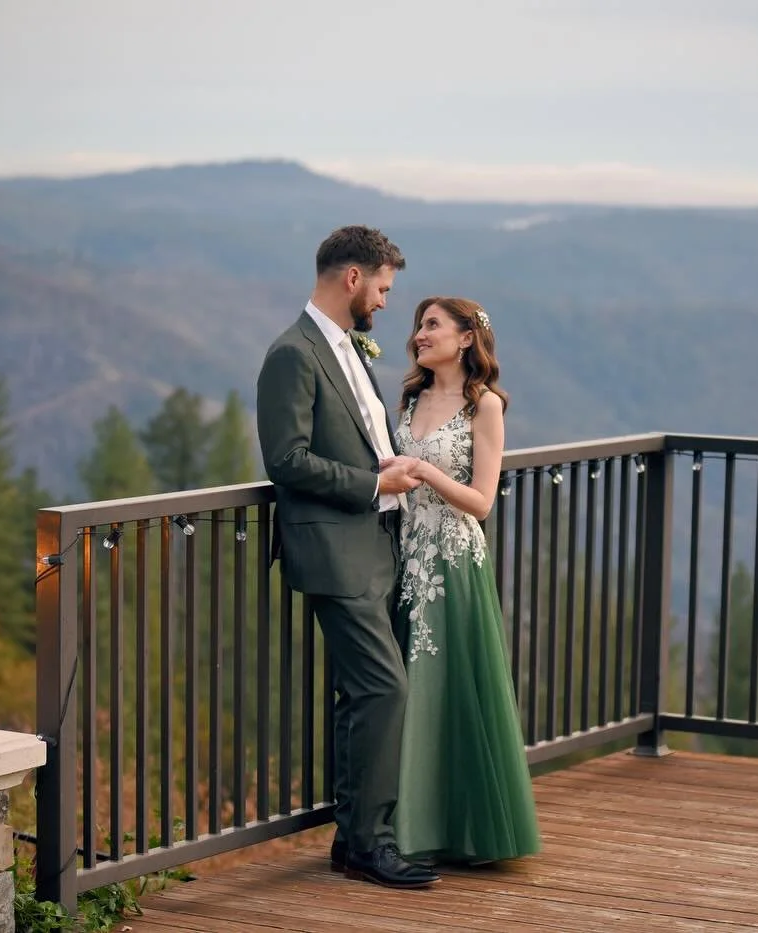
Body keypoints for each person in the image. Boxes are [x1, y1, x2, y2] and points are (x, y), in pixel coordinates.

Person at [255, 226, 440, 889]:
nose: (388, 305)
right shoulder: (292, 354)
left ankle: (353, 839)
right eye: (384, 288)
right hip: (335, 550)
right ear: (354, 278)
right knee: (384, 687)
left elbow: (353, 438)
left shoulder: (349, 349)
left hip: (377, 545)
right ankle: (371, 843)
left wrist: (386, 464)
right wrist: (372, 484)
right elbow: (286, 459)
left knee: (359, 694)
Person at [385, 296, 542, 866]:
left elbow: (480, 502)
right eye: (419, 326)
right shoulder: (409, 397)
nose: (419, 335)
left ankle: (460, 830)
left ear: (466, 337)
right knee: (407, 690)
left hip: (453, 561)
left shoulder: (487, 407)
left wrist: (424, 471)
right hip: (404, 557)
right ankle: (405, 827)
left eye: (432, 325)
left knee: (452, 685)